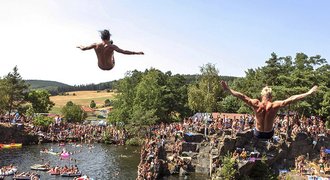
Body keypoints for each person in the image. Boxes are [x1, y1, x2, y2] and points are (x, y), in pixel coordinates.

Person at [220, 80, 318, 139]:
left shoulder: (256, 104)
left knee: (251, 127)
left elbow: (242, 96)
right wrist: (308, 93)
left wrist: (229, 90)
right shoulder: (275, 105)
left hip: (257, 133)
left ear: (262, 95)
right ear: (271, 96)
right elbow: (292, 98)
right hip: (269, 134)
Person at [77, 29, 144, 70]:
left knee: (105, 52)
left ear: (101, 38)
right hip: (110, 66)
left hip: (100, 66)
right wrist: (137, 53)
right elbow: (123, 52)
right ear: (109, 37)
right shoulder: (112, 46)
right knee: (112, 52)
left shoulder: (95, 45)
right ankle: (112, 55)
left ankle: (110, 55)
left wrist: (80, 46)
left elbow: (83, 48)